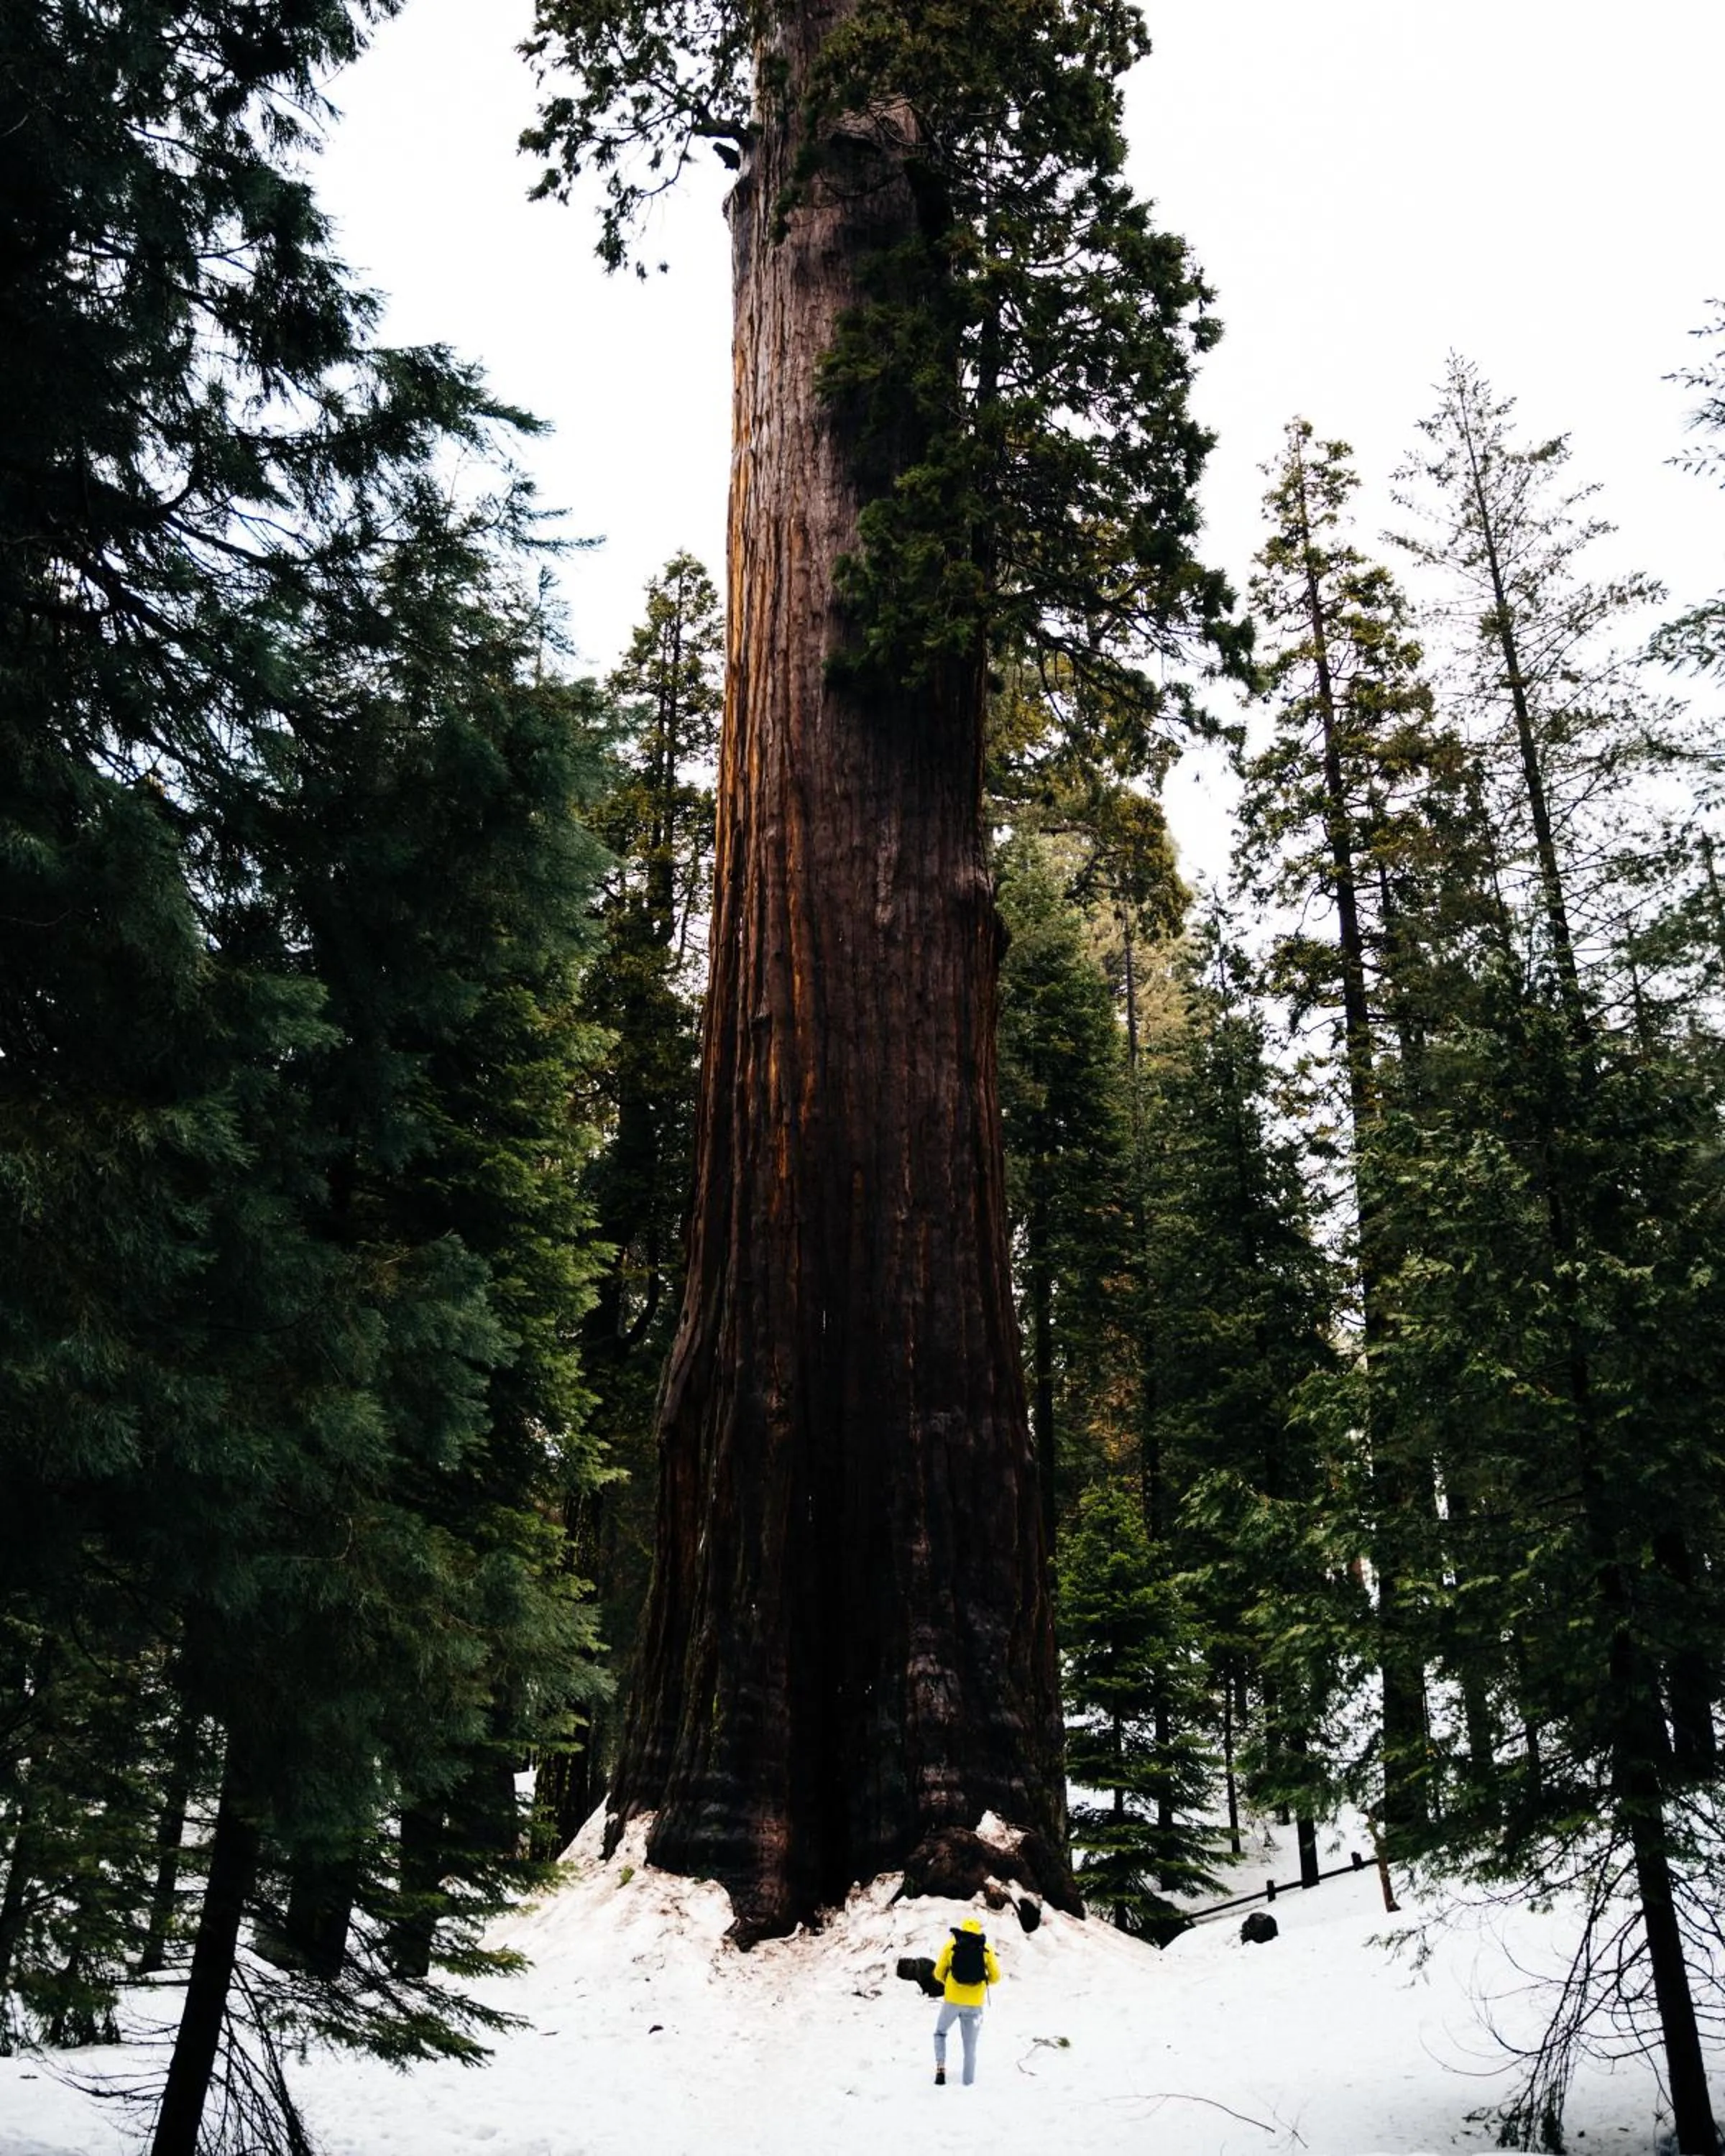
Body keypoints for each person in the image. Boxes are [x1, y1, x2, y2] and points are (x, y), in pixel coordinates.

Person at [931, 1915, 1000, 2086]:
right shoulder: (986, 1948)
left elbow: (938, 1973)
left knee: (940, 2032)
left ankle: (940, 2069)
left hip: (952, 2001)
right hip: (975, 2004)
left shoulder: (951, 1945)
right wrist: (980, 1984)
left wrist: (950, 1983)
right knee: (970, 2046)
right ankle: (968, 2083)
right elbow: (996, 1977)